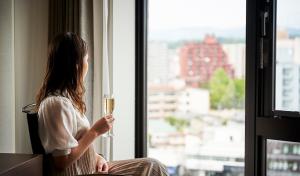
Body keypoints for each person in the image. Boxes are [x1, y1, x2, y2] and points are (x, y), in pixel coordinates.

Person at [36, 32, 168, 176]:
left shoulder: (65, 100)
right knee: (154, 170)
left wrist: (99, 158)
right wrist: (95, 131)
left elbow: (78, 146)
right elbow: (62, 162)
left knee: (153, 166)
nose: (87, 64)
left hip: (91, 168)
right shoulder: (56, 105)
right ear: (76, 65)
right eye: (86, 59)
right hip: (84, 173)